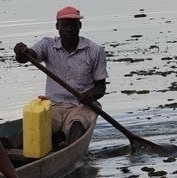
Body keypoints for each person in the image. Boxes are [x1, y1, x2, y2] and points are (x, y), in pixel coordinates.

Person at [13, 5, 107, 147]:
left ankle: (70, 151)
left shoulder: (95, 51)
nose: (69, 29)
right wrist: (21, 52)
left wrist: (90, 96)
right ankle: (20, 156)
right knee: (33, 128)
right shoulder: (48, 45)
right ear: (58, 27)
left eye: (72, 25)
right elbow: (27, 57)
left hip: (81, 106)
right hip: (54, 105)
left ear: (79, 26)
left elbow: (101, 88)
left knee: (77, 125)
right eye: (64, 25)